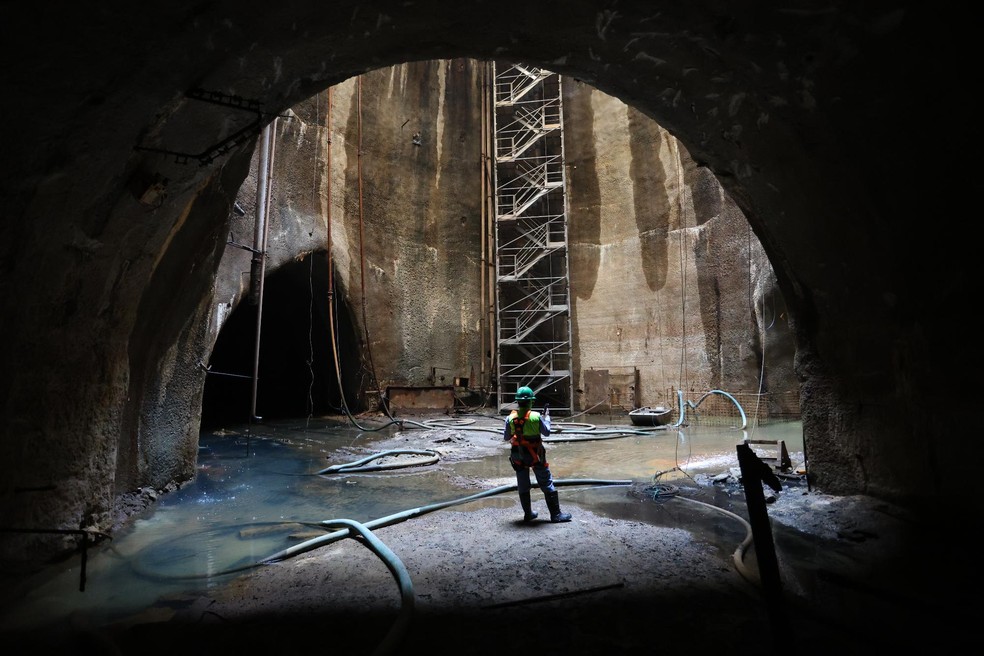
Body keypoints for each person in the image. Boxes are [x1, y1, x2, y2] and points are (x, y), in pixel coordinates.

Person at [502, 386, 572, 523]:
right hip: (535, 455)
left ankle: (528, 514)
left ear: (517, 402)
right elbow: (546, 432)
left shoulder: (510, 418)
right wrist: (547, 418)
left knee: (523, 483)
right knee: (546, 481)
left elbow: (506, 437)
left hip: (518, 455)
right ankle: (556, 515)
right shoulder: (536, 417)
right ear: (531, 402)